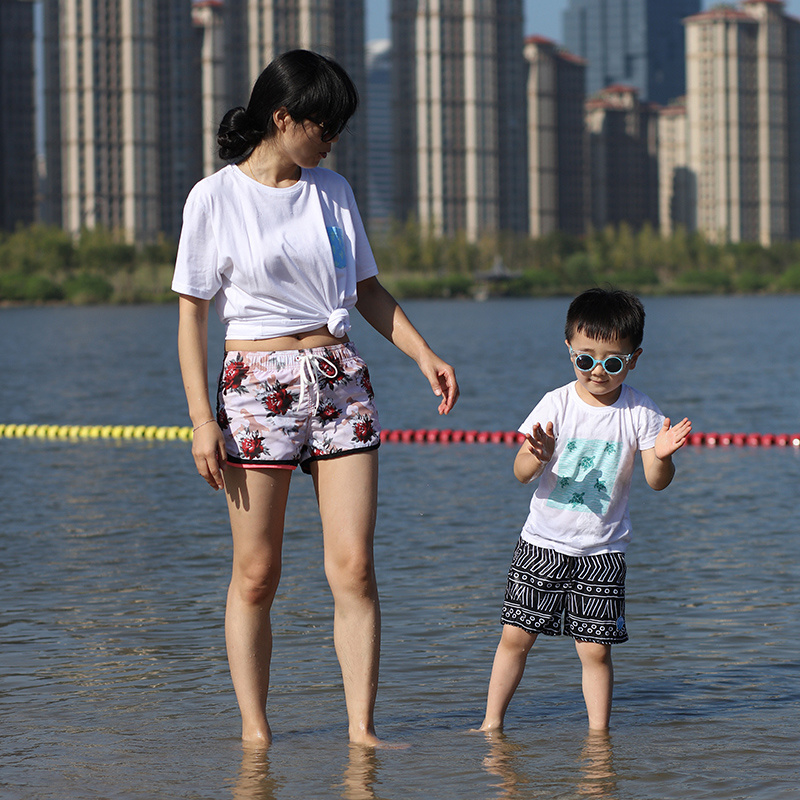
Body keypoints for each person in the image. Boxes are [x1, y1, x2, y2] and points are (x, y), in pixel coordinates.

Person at [172, 49, 459, 748]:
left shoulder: (334, 190)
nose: (332, 140)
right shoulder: (215, 197)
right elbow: (191, 316)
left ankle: (362, 732)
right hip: (256, 389)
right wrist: (201, 421)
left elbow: (365, 290)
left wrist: (425, 354)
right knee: (257, 572)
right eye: (324, 125)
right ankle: (256, 735)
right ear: (283, 118)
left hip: (340, 381)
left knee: (354, 565)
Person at [477, 288, 691, 732]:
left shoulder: (640, 411)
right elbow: (520, 472)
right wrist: (537, 454)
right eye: (585, 358)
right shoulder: (555, 403)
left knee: (595, 650)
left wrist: (665, 455)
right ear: (569, 349)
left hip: (603, 551)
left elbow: (656, 480)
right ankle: (491, 724)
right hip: (542, 543)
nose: (597, 370)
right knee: (516, 637)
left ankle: (598, 736)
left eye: (612, 362)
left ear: (633, 359)